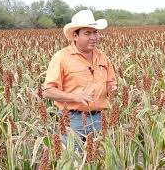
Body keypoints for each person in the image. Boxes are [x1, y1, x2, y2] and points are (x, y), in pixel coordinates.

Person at [42, 10, 117, 150]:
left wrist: (113, 89)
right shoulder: (62, 58)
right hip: (73, 119)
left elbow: (111, 83)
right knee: (74, 161)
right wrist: (75, 97)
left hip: (100, 119)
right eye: (87, 33)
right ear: (75, 36)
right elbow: (48, 91)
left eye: (95, 32)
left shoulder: (103, 57)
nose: (93, 37)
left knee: (100, 161)